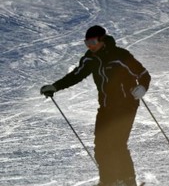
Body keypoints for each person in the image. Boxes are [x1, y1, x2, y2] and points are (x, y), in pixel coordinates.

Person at [40, 25, 151, 186]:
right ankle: (108, 181)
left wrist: (142, 87)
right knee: (100, 146)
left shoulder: (120, 56)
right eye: (87, 43)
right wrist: (55, 87)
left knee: (117, 144)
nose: (90, 46)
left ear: (102, 40)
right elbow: (76, 75)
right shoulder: (90, 58)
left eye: (92, 42)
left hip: (126, 106)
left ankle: (128, 181)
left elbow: (143, 74)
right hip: (106, 107)